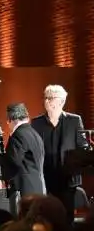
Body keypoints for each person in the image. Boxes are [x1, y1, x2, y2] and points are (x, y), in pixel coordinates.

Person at [31, 84, 88, 223]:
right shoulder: (36, 122)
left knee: (67, 218)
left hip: (67, 179)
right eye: (45, 98)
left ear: (62, 101)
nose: (47, 101)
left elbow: (82, 145)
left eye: (51, 98)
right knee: (47, 218)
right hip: (45, 178)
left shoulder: (74, 120)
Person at [0, 103, 45, 214]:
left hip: (23, 190)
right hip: (37, 187)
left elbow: (13, 161)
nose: (7, 124)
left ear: (11, 119)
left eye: (7, 121)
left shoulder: (18, 135)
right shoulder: (34, 133)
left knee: (22, 224)